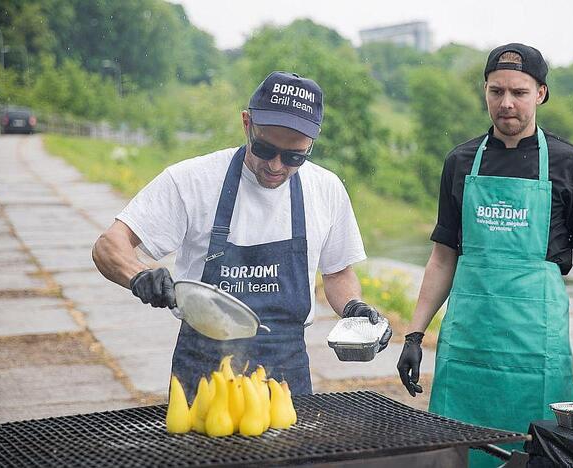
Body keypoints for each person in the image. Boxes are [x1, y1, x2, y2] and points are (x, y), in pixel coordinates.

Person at [92, 71, 392, 400]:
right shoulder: (193, 180)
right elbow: (109, 245)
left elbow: (337, 273)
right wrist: (139, 276)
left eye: (295, 157)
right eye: (265, 149)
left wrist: (353, 308)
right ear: (246, 123)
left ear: (312, 144)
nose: (277, 166)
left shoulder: (326, 189)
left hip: (286, 374)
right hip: (204, 374)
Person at [396, 44, 573, 464]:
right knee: (457, 453)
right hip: (467, 350)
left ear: (541, 94)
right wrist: (414, 334)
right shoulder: (460, 161)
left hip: (537, 348)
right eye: (496, 91)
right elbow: (443, 257)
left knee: (537, 453)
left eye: (518, 91)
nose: (506, 103)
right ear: (485, 92)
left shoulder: (571, 164)